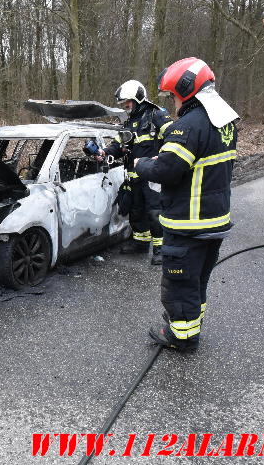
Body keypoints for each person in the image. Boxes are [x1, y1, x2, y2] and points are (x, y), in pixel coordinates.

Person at [134, 58, 239, 351]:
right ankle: (190, 323)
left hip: (188, 223)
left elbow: (165, 170)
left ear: (185, 89)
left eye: (173, 95)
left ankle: (181, 336)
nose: (173, 101)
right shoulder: (224, 120)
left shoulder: (190, 125)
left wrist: (141, 163)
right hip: (214, 221)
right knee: (197, 281)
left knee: (179, 284)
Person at [97, 80, 173, 265]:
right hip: (134, 176)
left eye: (127, 102)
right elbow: (117, 144)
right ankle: (140, 243)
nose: (125, 106)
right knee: (136, 211)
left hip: (153, 177)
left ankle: (161, 249)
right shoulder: (129, 122)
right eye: (123, 104)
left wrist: (163, 158)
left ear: (137, 98)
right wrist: (105, 152)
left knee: (155, 213)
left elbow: (174, 137)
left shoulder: (156, 115)